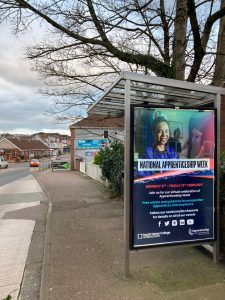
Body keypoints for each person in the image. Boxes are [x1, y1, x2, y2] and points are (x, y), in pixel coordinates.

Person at [134, 111, 178, 178]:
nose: (164, 135)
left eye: (166, 131)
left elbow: (176, 175)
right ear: (154, 132)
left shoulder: (172, 152)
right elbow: (141, 179)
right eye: (160, 131)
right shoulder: (147, 153)